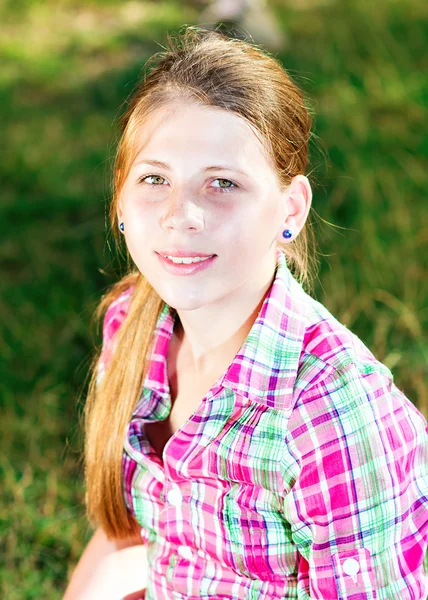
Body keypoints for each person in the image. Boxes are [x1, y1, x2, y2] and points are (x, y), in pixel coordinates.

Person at [63, 26, 428, 600]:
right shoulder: (132, 322)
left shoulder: (331, 413)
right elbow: (130, 538)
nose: (181, 215)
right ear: (120, 199)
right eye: (155, 178)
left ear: (291, 208)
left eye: (223, 184)